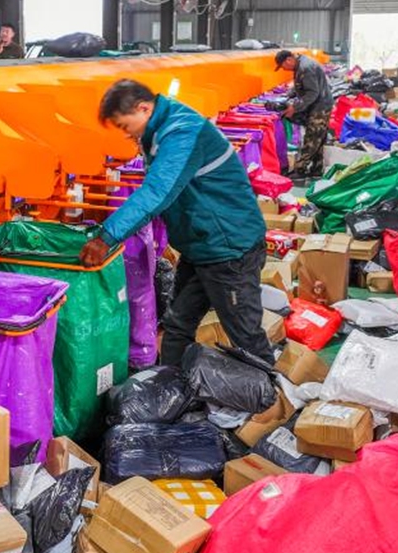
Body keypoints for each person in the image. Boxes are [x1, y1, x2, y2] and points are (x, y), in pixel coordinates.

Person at [78, 79, 274, 367]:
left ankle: (271, 402)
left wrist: (106, 237)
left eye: (124, 125)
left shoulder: (182, 132)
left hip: (229, 249)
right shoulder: (160, 130)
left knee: (245, 334)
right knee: (177, 323)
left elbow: (157, 192)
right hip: (201, 247)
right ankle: (169, 388)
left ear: (143, 108)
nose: (125, 134)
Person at [275, 49, 333, 179]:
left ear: (289, 60)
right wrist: (288, 95)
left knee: (312, 137)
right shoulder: (301, 65)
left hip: (320, 106)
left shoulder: (306, 68)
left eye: (282, 66)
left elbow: (312, 93)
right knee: (318, 137)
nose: (283, 69)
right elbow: (302, 86)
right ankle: (316, 169)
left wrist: (294, 108)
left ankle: (299, 170)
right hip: (319, 104)